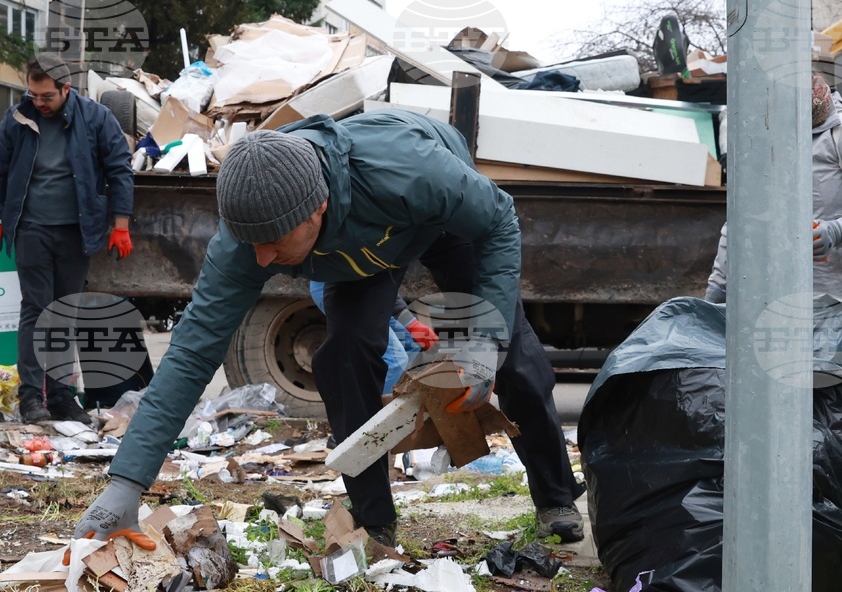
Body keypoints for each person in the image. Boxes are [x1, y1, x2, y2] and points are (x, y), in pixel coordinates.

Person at [74, 109, 586, 547]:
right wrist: (127, 481)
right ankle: (374, 521)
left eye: (274, 244)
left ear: (316, 208)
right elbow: (190, 353)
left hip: (435, 222)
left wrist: (481, 341)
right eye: (252, 244)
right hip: (355, 255)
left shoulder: (409, 171)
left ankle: (556, 497)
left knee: (511, 354)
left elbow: (498, 218)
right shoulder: (250, 238)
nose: (263, 260)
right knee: (344, 357)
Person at [705, 72, 842, 544]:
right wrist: (715, 295)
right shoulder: (757, 133)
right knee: (790, 418)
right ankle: (801, 523)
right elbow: (739, 221)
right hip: (786, 307)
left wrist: (835, 230)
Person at [0, 53, 134, 426]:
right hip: (31, 228)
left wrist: (121, 224)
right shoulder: (18, 118)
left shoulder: (96, 118)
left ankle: (62, 397)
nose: (38, 102)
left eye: (46, 96)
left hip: (76, 231)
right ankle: (32, 398)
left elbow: (120, 169)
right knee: (36, 310)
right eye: (33, 94)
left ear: (66, 89)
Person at [309, 281, 439, 395]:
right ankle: (373, 417)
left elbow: (386, 282)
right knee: (395, 361)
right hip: (340, 287)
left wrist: (410, 324)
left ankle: (388, 397)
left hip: (368, 286)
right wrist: (411, 323)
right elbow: (376, 280)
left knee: (410, 344)